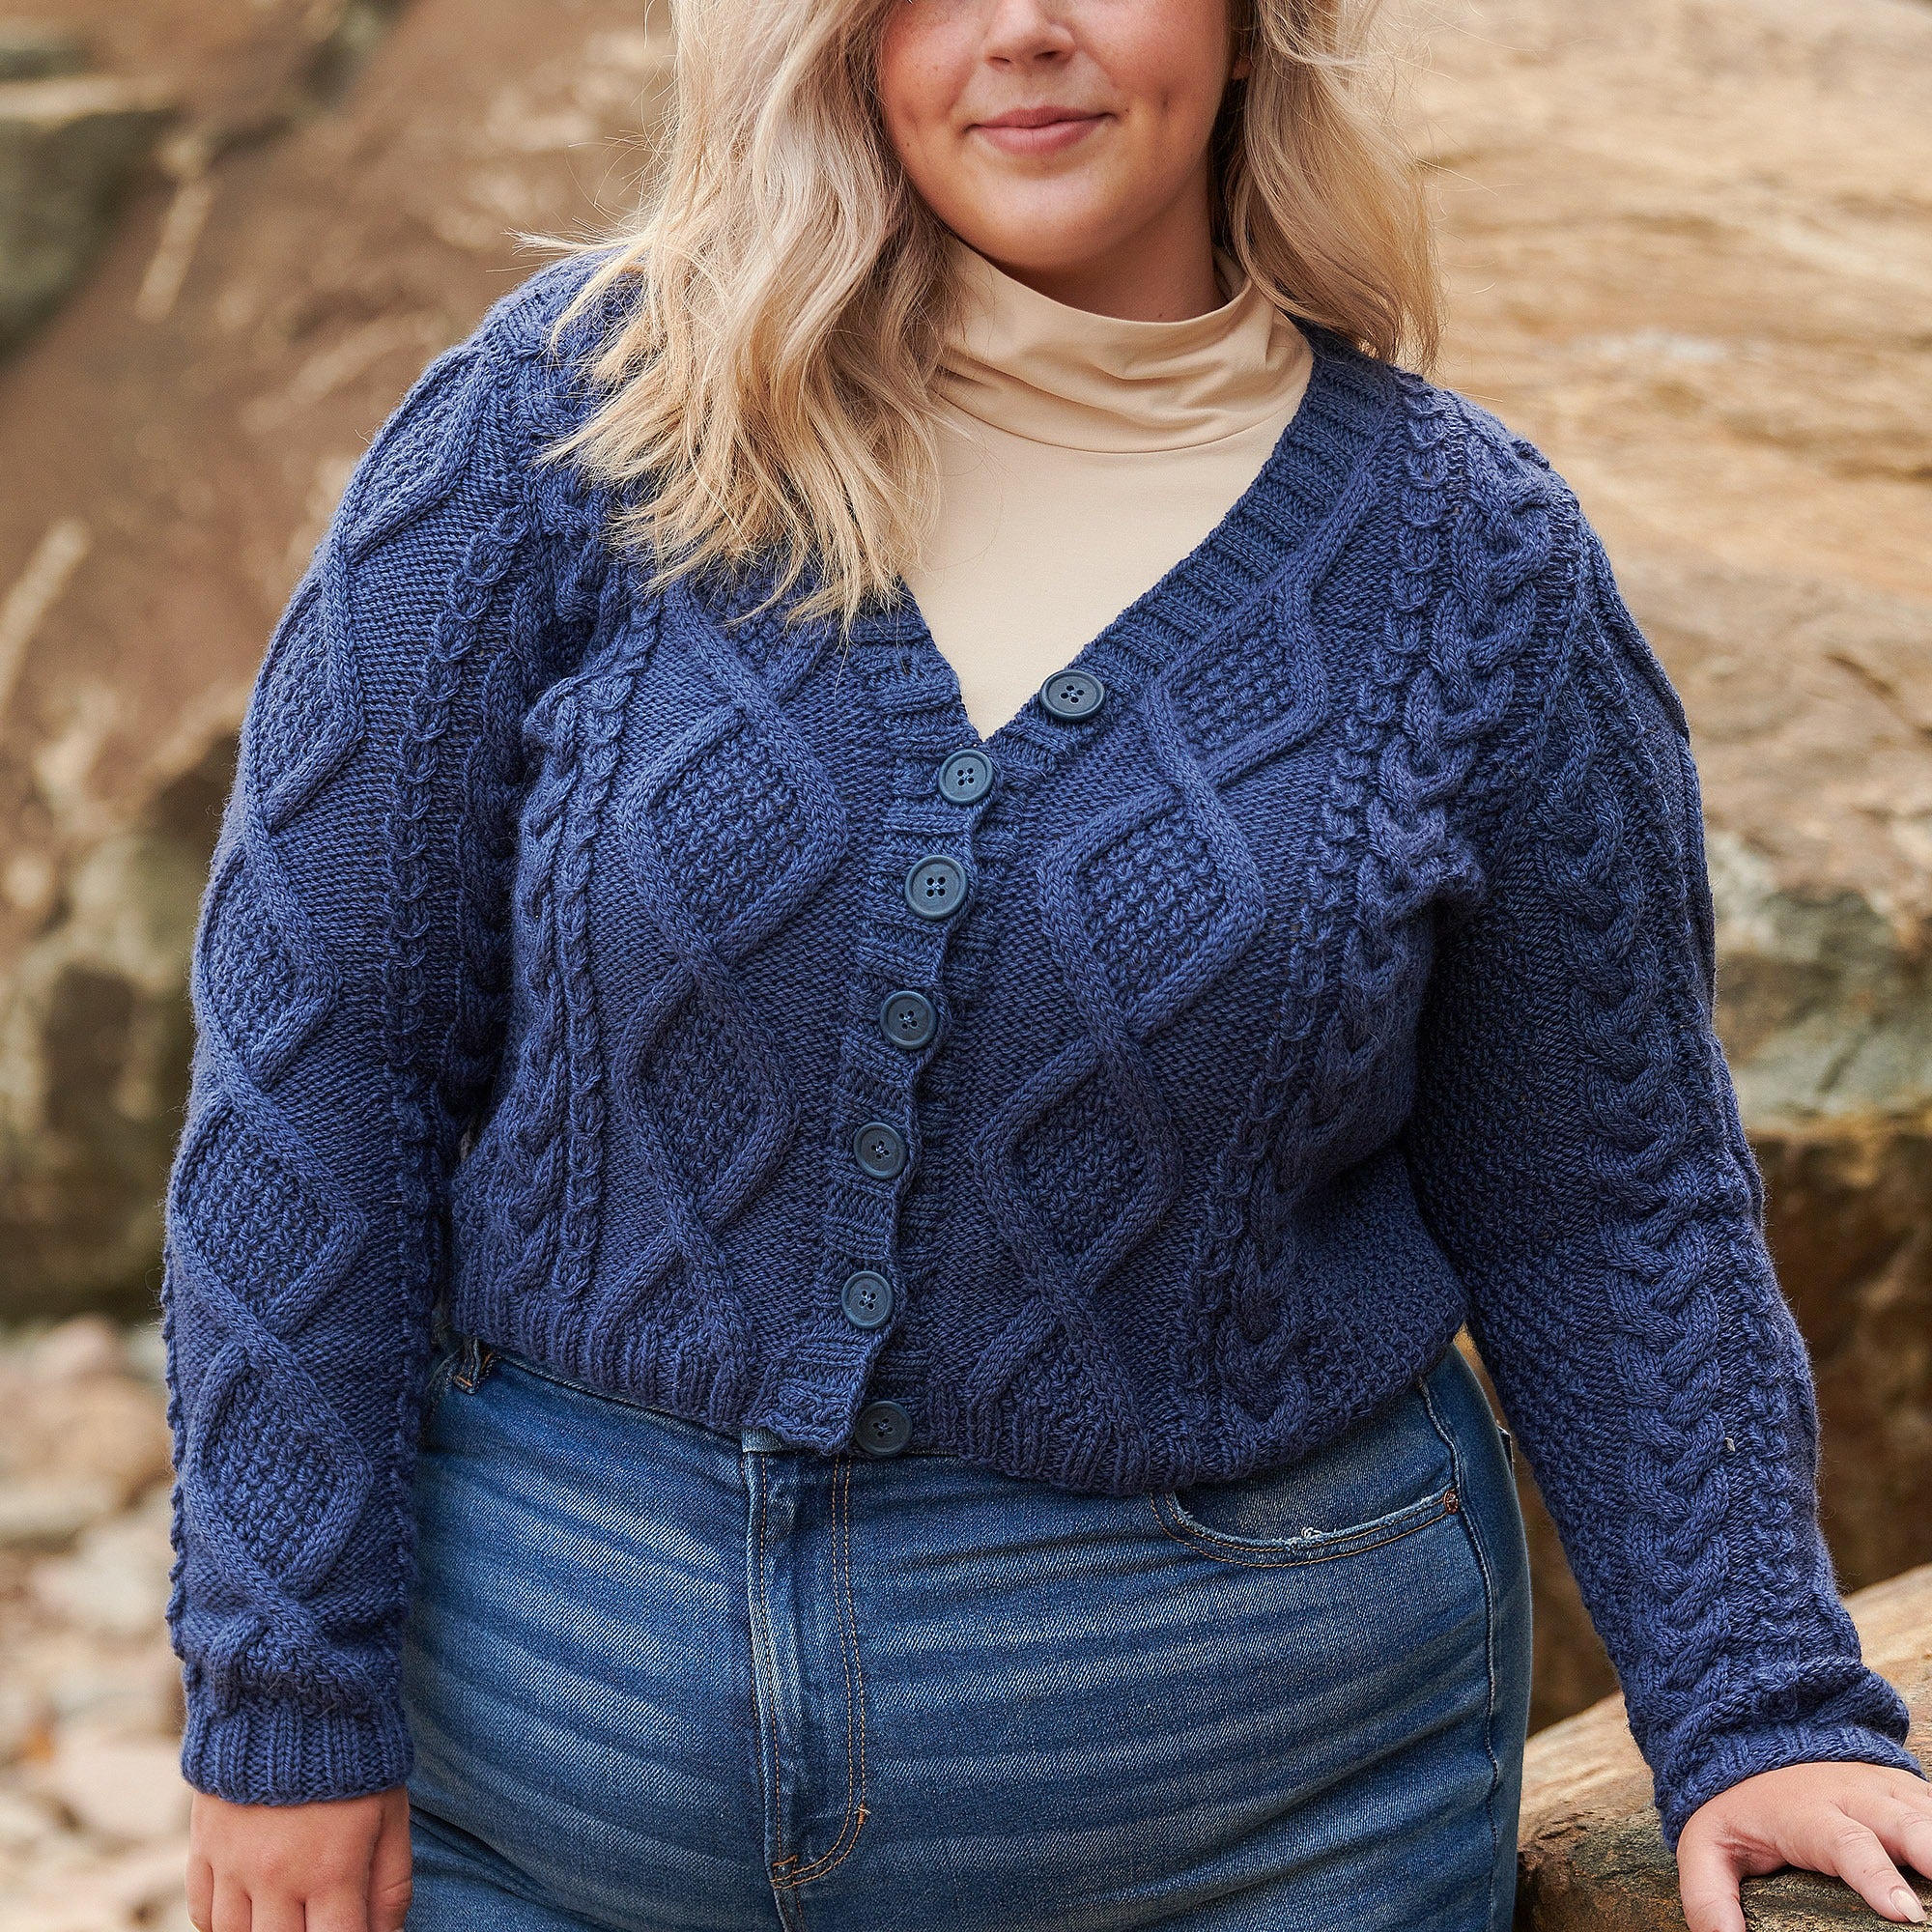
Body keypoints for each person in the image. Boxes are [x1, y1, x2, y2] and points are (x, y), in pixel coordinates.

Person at [162, 2, 1928, 1930]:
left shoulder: (1473, 571)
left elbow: (1606, 1198)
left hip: (1259, 1820)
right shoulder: (575, 424)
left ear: (1252, 27)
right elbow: (316, 1060)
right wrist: (285, 1698)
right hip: (535, 1782)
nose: (1019, 30)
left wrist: (1762, 1702)